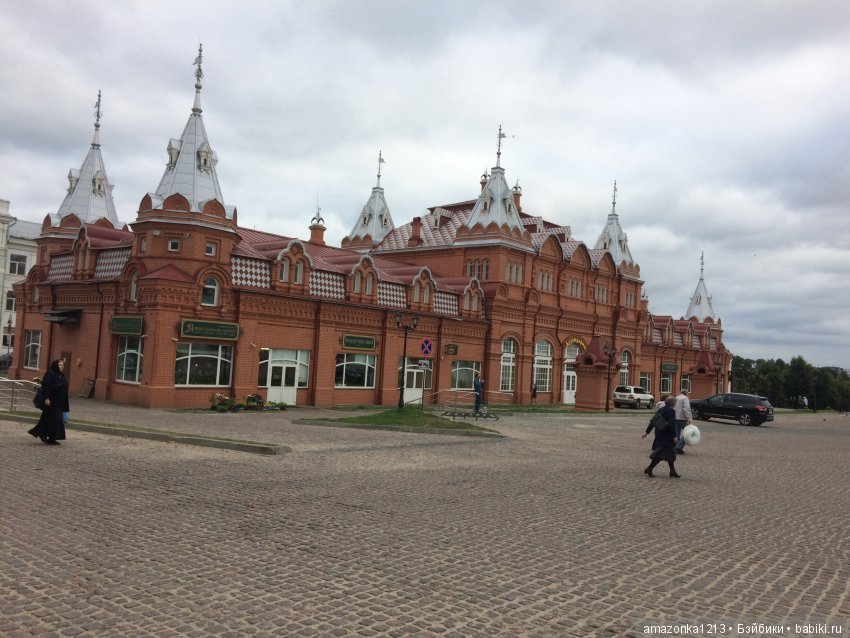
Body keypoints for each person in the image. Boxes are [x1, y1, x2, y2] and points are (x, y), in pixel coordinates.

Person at [27, 359, 69, 445]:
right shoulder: (49, 374)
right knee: (51, 419)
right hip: (51, 402)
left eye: (62, 365)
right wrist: (46, 398)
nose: (62, 367)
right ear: (55, 365)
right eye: (60, 365)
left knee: (56, 420)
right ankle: (49, 437)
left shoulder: (61, 375)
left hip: (59, 402)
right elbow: (45, 387)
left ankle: (50, 437)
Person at [642, 395, 680, 478]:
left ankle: (672, 471)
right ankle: (649, 468)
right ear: (673, 403)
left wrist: (647, 432)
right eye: (675, 403)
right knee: (661, 454)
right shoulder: (671, 411)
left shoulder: (661, 409)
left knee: (670, 453)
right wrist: (674, 436)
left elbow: (653, 421)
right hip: (668, 436)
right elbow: (671, 425)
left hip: (659, 433)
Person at [673, 388, 692, 454]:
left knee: (677, 434)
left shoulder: (676, 398)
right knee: (688, 433)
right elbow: (686, 409)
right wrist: (689, 418)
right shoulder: (685, 398)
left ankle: (676, 448)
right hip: (683, 418)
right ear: (686, 393)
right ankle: (678, 447)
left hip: (675, 418)